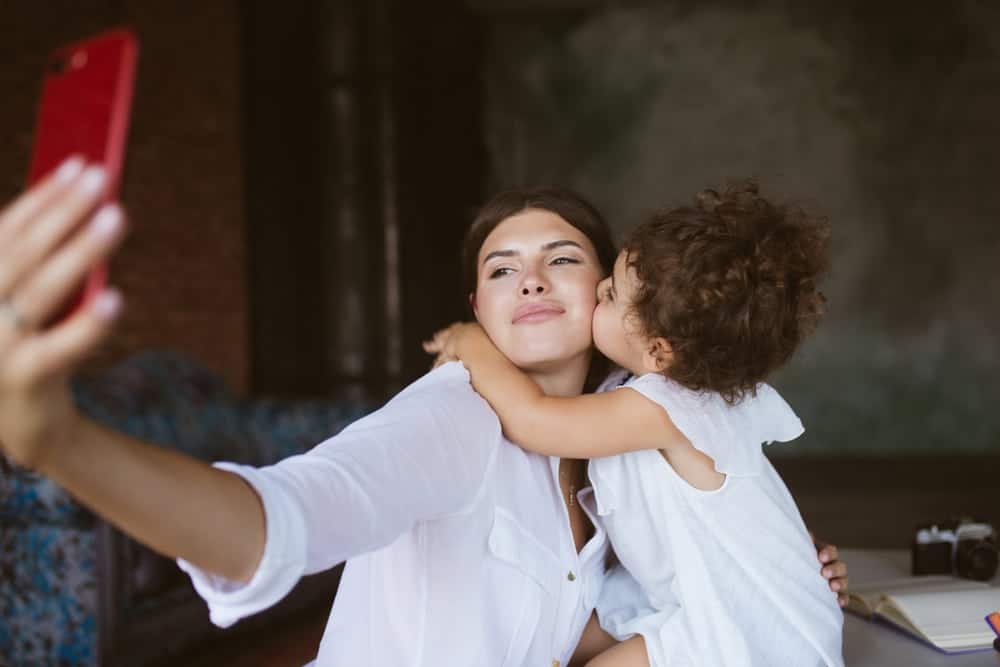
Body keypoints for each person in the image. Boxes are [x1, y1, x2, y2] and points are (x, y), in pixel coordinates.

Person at [0, 158, 847, 665]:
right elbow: (279, 519)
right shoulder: (454, 417)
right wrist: (62, 442)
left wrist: (763, 583)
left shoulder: (617, 435)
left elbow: (569, 616)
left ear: (618, 297)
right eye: (502, 268)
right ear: (475, 308)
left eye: (562, 257)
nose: (531, 279)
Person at [425, 182, 844, 666]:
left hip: (743, 629)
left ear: (659, 351)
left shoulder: (670, 406)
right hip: (691, 598)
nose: (598, 294)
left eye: (608, 294)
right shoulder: (632, 390)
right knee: (553, 635)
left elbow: (536, 419)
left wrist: (469, 339)